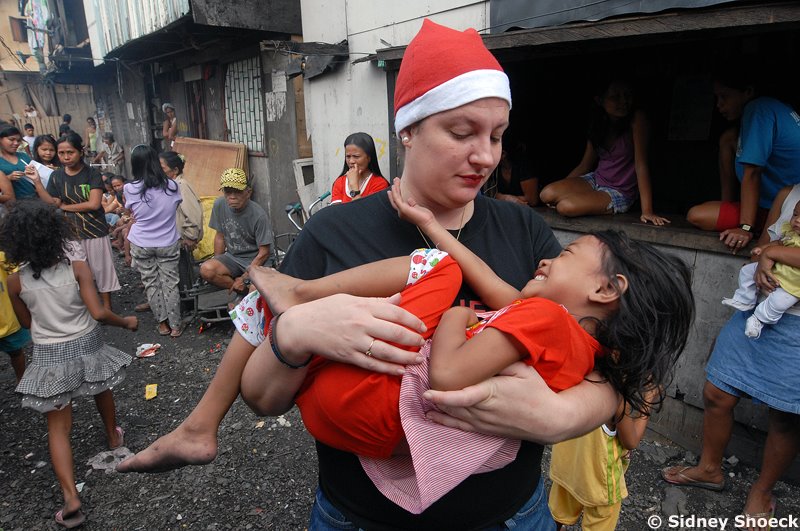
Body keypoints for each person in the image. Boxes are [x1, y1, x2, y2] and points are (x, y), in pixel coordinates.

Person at [118, 23, 619, 531]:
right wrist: (296, 334)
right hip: (358, 515)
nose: (486, 156)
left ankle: (201, 421)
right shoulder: (333, 230)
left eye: (496, 135)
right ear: (408, 130)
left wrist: (564, 417)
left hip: (511, 516)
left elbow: (616, 366)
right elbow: (264, 399)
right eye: (461, 133)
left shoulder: (525, 230)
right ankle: (201, 423)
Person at [246, 180, 693, 513]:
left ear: (606, 289)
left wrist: (457, 317)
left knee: (439, 269)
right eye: (461, 131)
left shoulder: (546, 318)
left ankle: (300, 294)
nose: (546, 259)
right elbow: (495, 286)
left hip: (372, 406)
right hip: (379, 435)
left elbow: (446, 375)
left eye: (566, 255)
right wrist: (429, 224)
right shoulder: (579, 352)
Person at [662, 183, 800, 525]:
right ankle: (710, 468)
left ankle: (762, 490)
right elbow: (764, 244)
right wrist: (762, 258)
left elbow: (773, 251)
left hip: (796, 324)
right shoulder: (789, 193)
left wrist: (772, 255)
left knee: (785, 415)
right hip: (757, 309)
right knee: (717, 391)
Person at [0, 199, 137, 529]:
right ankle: (113, 436)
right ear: (56, 233)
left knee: (58, 427)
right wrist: (126, 322)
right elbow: (98, 312)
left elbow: (27, 323)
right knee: (101, 386)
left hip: (49, 353)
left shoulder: (15, 281)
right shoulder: (76, 267)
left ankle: (70, 497)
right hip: (86, 341)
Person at [686, 68, 800, 253]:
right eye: (717, 98)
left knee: (697, 215)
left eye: (725, 96)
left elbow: (752, 172)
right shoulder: (775, 107)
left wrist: (745, 228)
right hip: (772, 205)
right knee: (728, 138)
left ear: (748, 92)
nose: (719, 105)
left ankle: (749, 223)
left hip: (789, 210)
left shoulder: (758, 110)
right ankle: (731, 207)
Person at [539, 79, 668, 225]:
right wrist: (561, 190)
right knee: (546, 194)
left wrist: (647, 211)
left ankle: (594, 201)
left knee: (565, 207)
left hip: (619, 190)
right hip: (596, 179)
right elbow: (585, 165)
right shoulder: (598, 123)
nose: (624, 101)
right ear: (600, 100)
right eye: (615, 97)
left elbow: (641, 165)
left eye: (627, 95)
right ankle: (588, 199)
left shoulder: (637, 119)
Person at [26, 133, 121, 310]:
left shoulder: (92, 174)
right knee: (76, 272)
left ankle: (107, 307)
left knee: (101, 270)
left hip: (94, 230)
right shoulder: (56, 176)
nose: (66, 157)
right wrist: (37, 182)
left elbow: (93, 204)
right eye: (61, 153)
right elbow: (52, 202)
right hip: (69, 231)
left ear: (81, 152)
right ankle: (88, 307)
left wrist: (65, 207)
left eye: (70, 152)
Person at [549, 390, 657, 531]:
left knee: (557, 515)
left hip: (567, 469)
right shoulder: (616, 398)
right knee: (601, 520)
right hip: (601, 483)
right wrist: (648, 400)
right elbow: (631, 441)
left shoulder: (572, 382)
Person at [124, 145, 184, 337]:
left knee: (151, 283)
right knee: (170, 284)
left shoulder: (129, 188)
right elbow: (176, 205)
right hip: (167, 241)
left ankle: (163, 324)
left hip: (141, 242)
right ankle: (176, 326)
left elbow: (130, 211)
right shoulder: (172, 186)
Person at [722, 199, 800, 338]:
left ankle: (758, 320)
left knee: (779, 302)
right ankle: (745, 299)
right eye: (795, 214)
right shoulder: (790, 233)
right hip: (776, 270)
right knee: (747, 271)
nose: (797, 220)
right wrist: (763, 248)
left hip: (792, 283)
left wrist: (769, 253)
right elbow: (779, 242)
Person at [199, 168, 272, 297]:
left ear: (248, 193)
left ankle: (244, 294)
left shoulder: (259, 215)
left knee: (255, 288)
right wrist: (218, 261)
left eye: (237, 192)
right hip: (233, 258)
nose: (232, 196)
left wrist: (244, 277)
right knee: (206, 270)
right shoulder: (219, 204)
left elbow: (264, 253)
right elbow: (220, 237)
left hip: (256, 259)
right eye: (228, 192)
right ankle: (241, 292)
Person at [160, 151, 203, 252]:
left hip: (182, 242)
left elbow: (193, 213)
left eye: (162, 168)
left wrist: (190, 236)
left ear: (175, 170)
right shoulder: (169, 186)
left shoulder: (181, 186)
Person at [329, 132, 389, 204]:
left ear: (369, 158)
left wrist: (354, 186)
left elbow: (365, 211)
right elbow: (336, 210)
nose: (351, 161)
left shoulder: (379, 184)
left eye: (356, 156)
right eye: (348, 156)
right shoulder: (340, 182)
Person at [0, 250, 29, 383]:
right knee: (15, 352)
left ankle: (22, 380)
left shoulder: (2, 258)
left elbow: (16, 272)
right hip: (7, 319)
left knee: (16, 352)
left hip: (7, 319)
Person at [490, 138, 539, 206]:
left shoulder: (523, 166)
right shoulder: (495, 168)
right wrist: (506, 198)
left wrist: (500, 197)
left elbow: (532, 200)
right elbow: (488, 194)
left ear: (503, 154)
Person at [0, 126, 34, 201]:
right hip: (14, 203)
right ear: (0, 139)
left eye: (18, 140)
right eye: (11, 139)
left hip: (34, 198)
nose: (16, 143)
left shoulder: (24, 156)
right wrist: (8, 178)